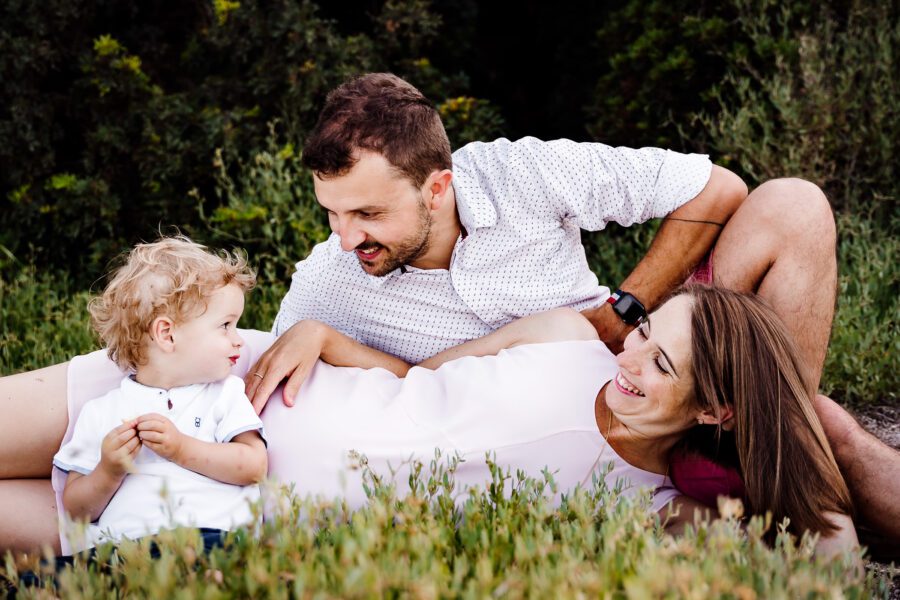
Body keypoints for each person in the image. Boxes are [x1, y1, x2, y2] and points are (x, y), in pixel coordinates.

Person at [0, 72, 896, 552]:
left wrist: (633, 313)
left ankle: (793, 446)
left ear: (439, 186)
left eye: (368, 214)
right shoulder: (331, 276)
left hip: (213, 520)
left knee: (797, 221)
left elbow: (720, 188)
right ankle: (801, 448)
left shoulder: (534, 190)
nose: (346, 238)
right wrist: (313, 332)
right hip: (217, 405)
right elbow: (394, 377)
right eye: (331, 215)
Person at [60, 286, 859, 559]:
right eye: (647, 332)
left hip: (216, 515)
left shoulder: (662, 508)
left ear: (717, 409)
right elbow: (418, 378)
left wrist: (836, 442)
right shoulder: (569, 337)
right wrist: (323, 337)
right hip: (224, 388)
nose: (632, 361)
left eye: (662, 367)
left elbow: (826, 554)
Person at [52, 237, 267, 555]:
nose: (239, 341)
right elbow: (75, 512)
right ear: (167, 334)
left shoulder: (225, 395)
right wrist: (109, 470)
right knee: (42, 580)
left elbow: (254, 466)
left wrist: (181, 448)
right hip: (121, 551)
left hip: (213, 541)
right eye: (225, 326)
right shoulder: (103, 411)